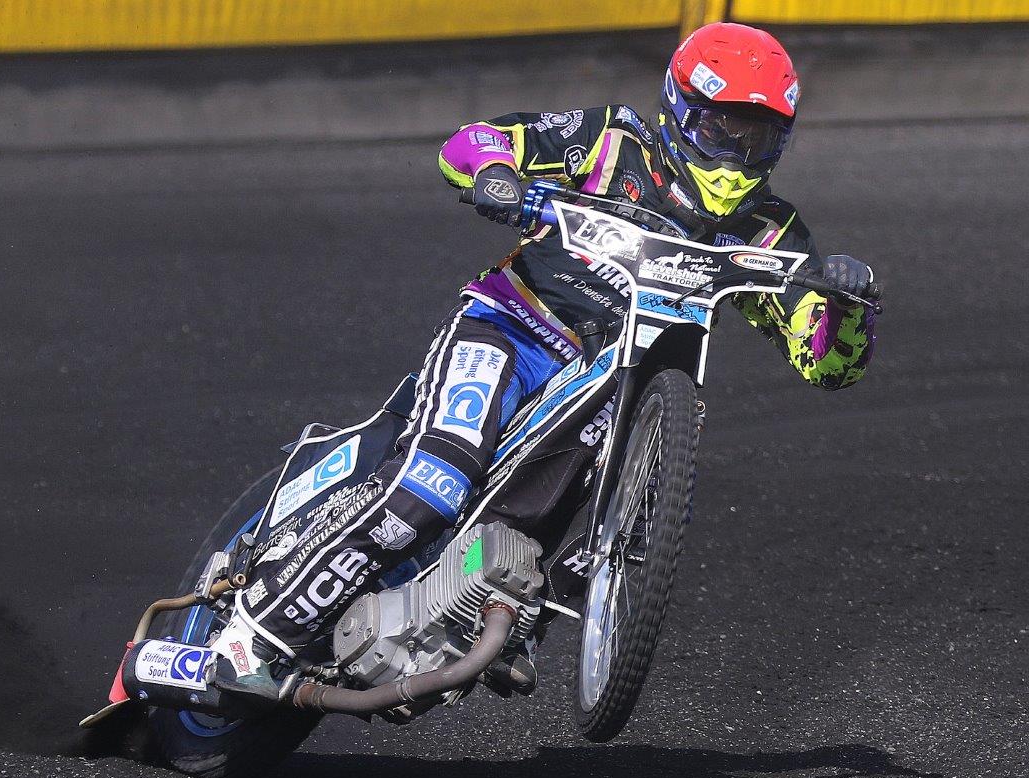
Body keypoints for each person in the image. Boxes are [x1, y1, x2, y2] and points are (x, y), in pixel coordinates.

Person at [209, 22, 879, 702]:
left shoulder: (770, 230)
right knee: (439, 477)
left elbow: (825, 362)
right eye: (722, 131)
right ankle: (255, 634)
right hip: (512, 328)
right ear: (680, 111)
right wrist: (497, 176)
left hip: (610, 383)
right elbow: (475, 141)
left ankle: (507, 604)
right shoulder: (613, 141)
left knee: (597, 467)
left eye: (756, 139)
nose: (736, 156)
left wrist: (849, 305)